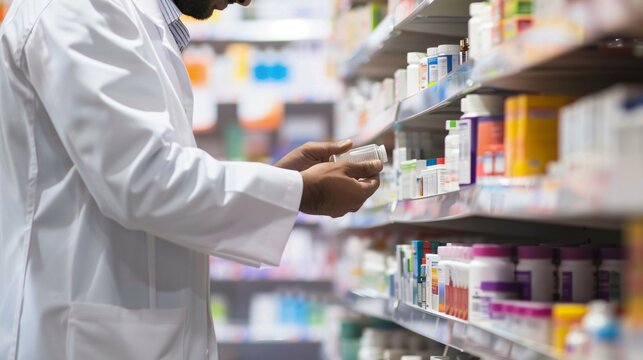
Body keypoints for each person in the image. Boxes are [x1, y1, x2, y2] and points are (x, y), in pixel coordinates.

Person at [0, 0, 382, 358]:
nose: (247, 1)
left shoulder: (130, 18)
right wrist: (301, 192)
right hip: (74, 336)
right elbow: (143, 180)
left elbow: (149, 169)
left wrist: (277, 180)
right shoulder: (79, 7)